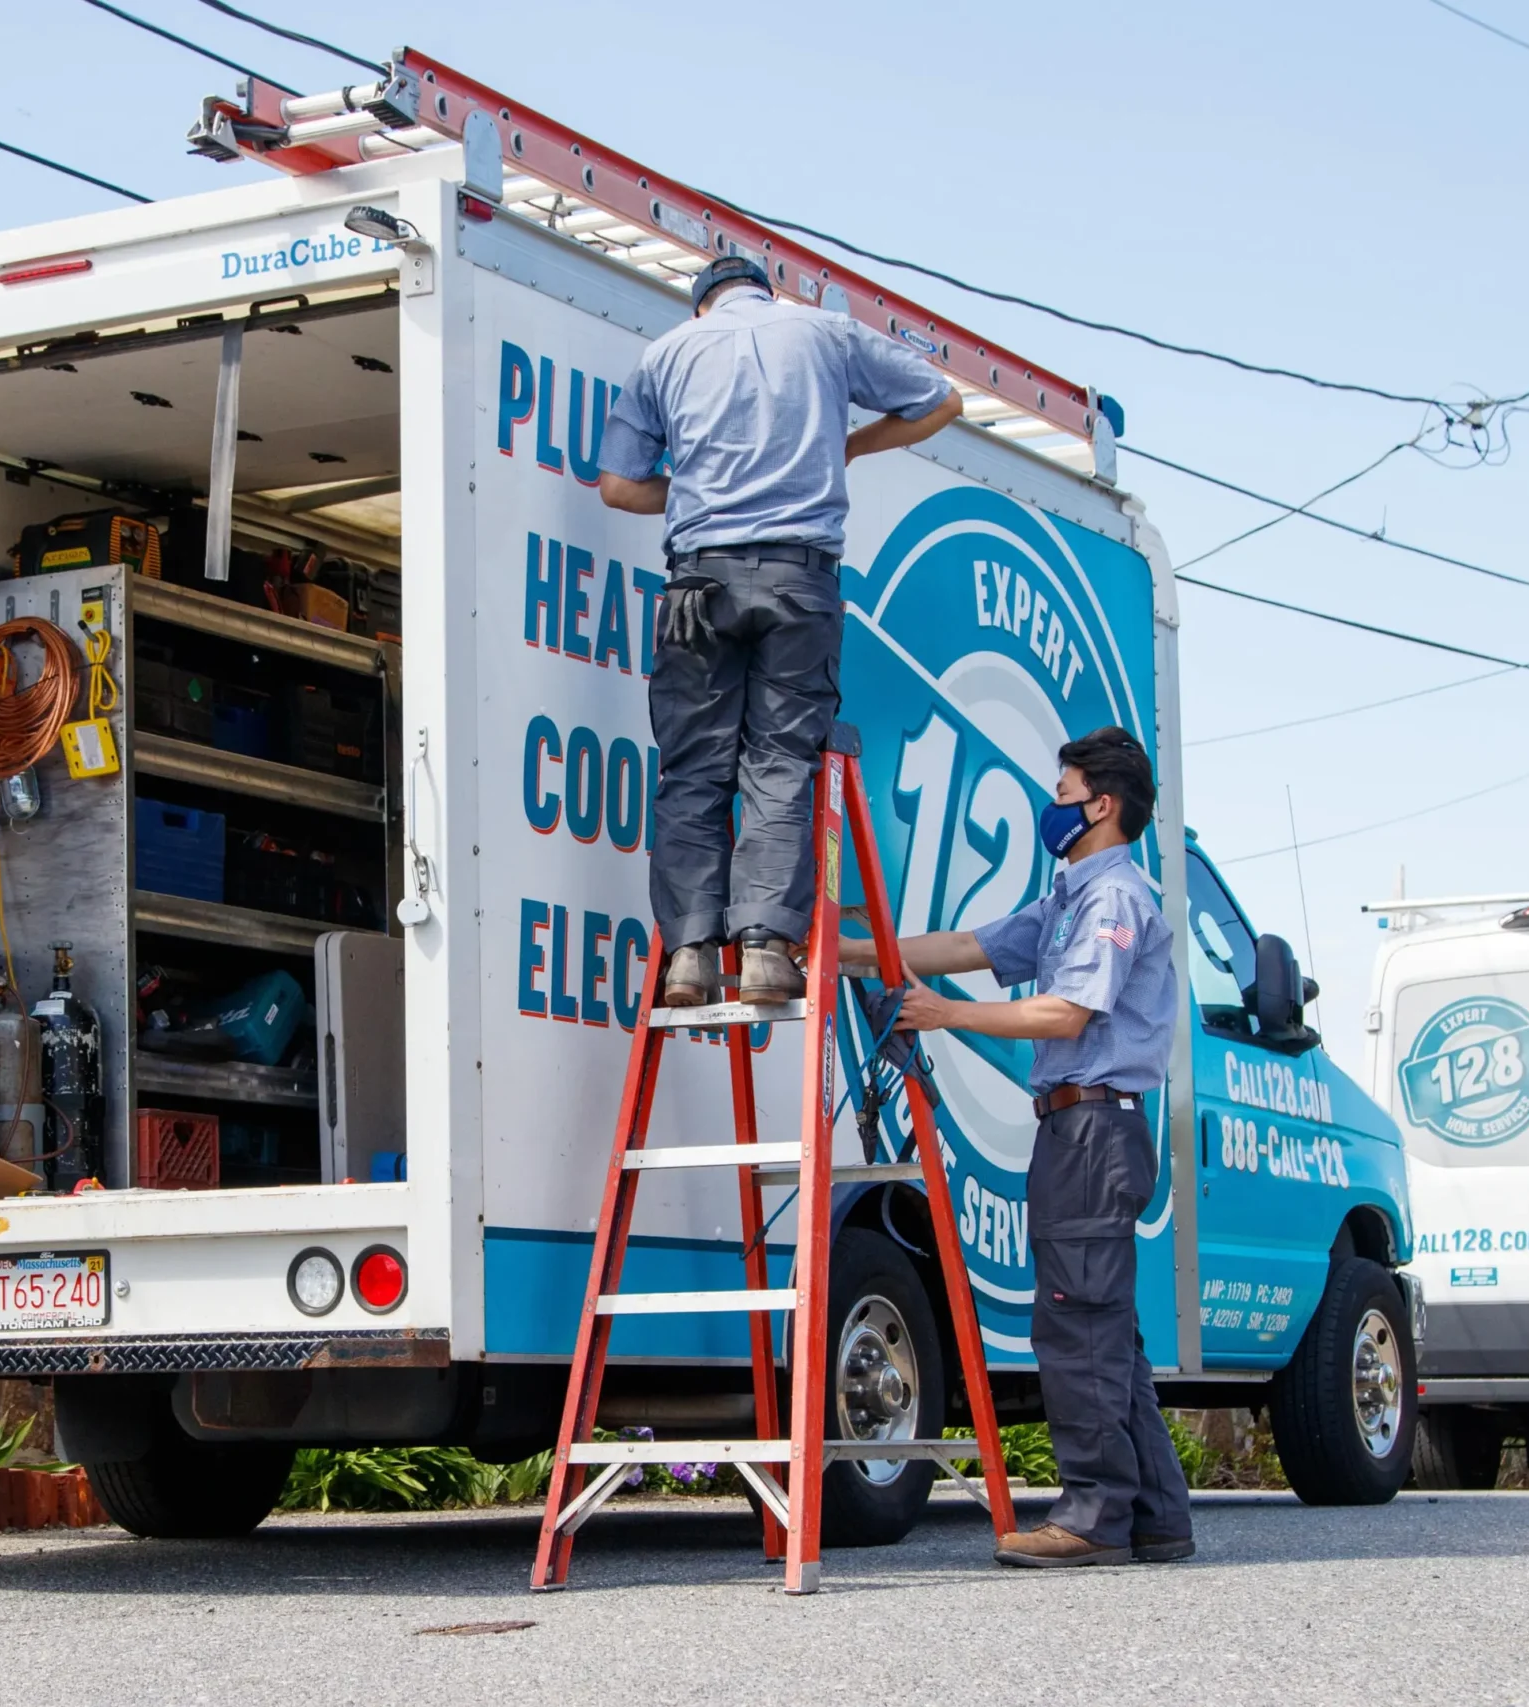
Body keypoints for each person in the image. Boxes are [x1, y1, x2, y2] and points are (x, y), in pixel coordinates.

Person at [841, 726, 1192, 1569]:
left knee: (1077, 1329)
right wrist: (855, 952)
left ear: (1102, 806)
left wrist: (944, 1014)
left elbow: (1067, 1014)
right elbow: (969, 946)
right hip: (1080, 1127)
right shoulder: (1070, 896)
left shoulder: (1114, 901)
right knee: (1108, 1330)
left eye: (1064, 794)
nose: (1053, 806)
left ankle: (1092, 1517)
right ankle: (1155, 1512)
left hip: (1093, 1127)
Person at [596, 256, 962, 1006]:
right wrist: (851, 446)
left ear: (702, 307)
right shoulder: (824, 332)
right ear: (769, 292)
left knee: (693, 771)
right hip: (801, 582)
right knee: (780, 763)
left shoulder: (665, 354)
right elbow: (942, 401)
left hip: (699, 584)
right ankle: (765, 950)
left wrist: (696, 487)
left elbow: (618, 485)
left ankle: (690, 954)